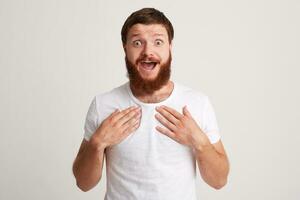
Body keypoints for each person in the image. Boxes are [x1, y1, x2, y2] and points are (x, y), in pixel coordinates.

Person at [72, 7, 230, 200]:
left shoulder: (197, 103)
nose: (148, 51)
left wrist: (199, 141)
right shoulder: (103, 104)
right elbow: (83, 183)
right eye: (137, 42)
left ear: (170, 47)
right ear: (125, 48)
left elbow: (219, 180)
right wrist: (98, 142)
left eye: (158, 42)